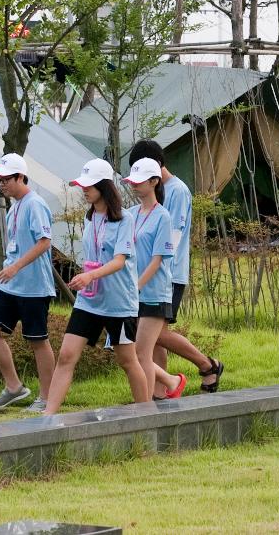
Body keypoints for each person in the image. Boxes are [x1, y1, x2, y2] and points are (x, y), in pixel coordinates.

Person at [43, 159, 149, 414]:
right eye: (82, 185)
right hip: (89, 300)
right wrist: (86, 277)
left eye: (89, 185)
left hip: (118, 303)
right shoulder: (90, 218)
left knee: (127, 360)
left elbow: (119, 261)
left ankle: (147, 416)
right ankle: (47, 417)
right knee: (67, 355)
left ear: (104, 186)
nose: (84, 189)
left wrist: (90, 276)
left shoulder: (124, 220)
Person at [127, 139, 223, 397]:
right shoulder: (151, 195)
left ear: (156, 168)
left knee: (154, 334)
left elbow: (173, 237)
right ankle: (161, 388)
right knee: (154, 335)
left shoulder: (177, 191)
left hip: (169, 273)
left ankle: (206, 365)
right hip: (148, 273)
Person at [0, 153, 57, 413]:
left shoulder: (35, 204)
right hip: (9, 284)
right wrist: (10, 269)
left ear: (20, 177)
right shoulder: (14, 205)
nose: (1, 184)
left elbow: (45, 242)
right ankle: (14, 387)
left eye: (5, 179)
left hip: (33, 286)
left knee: (37, 340)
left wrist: (15, 267)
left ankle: (47, 397)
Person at [123, 157, 188, 401]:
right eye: (132, 181)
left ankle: (146, 405)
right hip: (133, 293)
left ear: (154, 182)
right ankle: (158, 393)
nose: (134, 186)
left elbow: (158, 259)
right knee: (134, 354)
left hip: (154, 292)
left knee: (141, 354)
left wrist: (137, 286)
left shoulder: (163, 216)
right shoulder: (130, 214)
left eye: (140, 181)